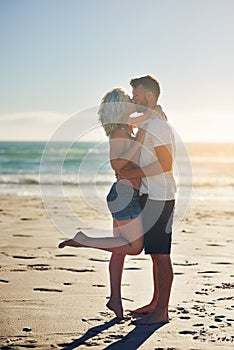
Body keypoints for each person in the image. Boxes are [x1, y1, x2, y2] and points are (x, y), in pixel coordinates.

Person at [58, 88, 146, 319]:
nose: (131, 100)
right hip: (126, 194)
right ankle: (83, 240)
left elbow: (143, 117)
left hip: (121, 193)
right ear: (119, 107)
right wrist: (143, 141)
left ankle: (115, 300)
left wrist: (152, 115)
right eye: (127, 99)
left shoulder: (125, 128)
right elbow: (117, 165)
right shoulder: (119, 132)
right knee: (134, 247)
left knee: (118, 250)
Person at [119, 75, 176, 325]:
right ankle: (155, 304)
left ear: (149, 96)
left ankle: (162, 312)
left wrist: (132, 173)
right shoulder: (151, 121)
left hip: (160, 197)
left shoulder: (158, 126)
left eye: (137, 95)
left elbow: (166, 164)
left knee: (161, 255)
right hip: (148, 195)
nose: (133, 98)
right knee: (154, 253)